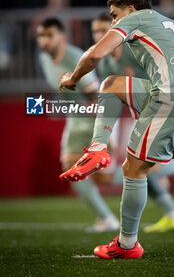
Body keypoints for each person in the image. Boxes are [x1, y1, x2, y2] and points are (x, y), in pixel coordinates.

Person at [59, 0, 174, 259]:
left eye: (115, 16)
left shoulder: (134, 19)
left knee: (133, 169)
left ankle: (127, 245)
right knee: (112, 84)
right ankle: (98, 148)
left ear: (130, 9)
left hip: (171, 100)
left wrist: (72, 78)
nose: (114, 23)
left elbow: (95, 54)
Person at [94, 12, 174, 233]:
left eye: (103, 30)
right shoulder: (105, 65)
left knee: (140, 169)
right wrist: (109, 137)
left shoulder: (135, 50)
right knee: (142, 169)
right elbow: (112, 103)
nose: (99, 35)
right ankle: (173, 215)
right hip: (143, 111)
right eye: (95, 32)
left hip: (165, 106)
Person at [37, 17, 120, 232]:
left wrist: (104, 135)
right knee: (73, 169)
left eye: (48, 35)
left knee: (106, 177)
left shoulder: (75, 57)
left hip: (96, 118)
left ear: (62, 37)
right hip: (76, 119)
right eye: (40, 36)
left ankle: (151, 171)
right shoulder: (44, 59)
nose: (43, 40)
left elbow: (94, 95)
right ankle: (107, 218)